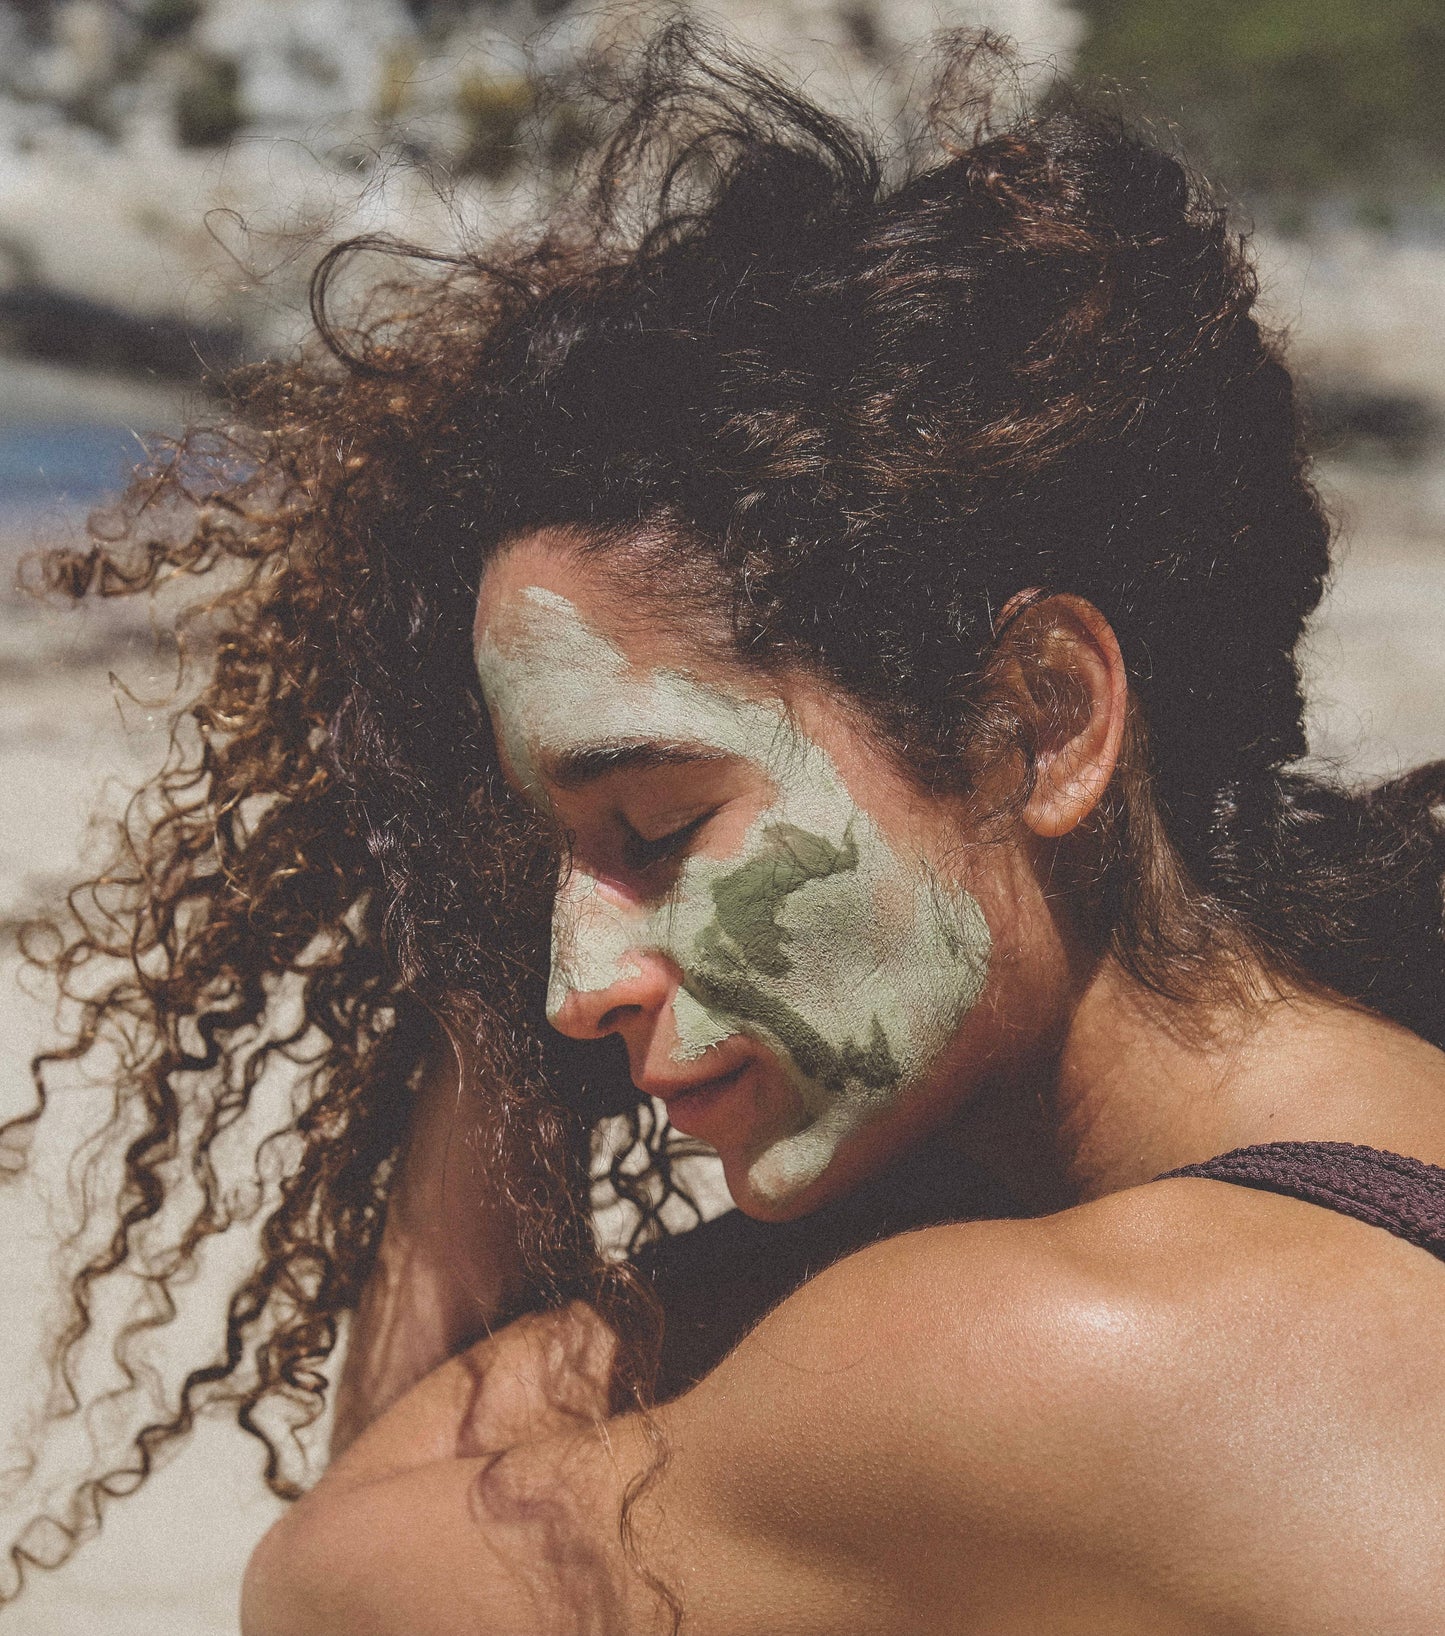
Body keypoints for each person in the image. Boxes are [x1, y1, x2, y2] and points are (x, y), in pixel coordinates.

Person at [9, 26, 1445, 1635]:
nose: (573, 988)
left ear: (1037, 722)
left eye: (655, 825)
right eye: (532, 881)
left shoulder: (1047, 1356)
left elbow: (338, 1584)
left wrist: (465, 988)